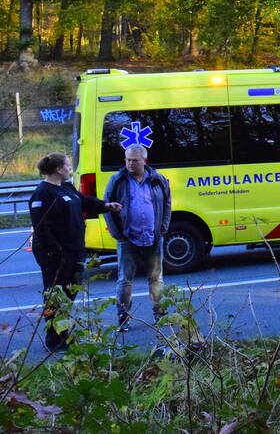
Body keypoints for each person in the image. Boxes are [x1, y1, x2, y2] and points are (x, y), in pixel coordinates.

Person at [28, 152, 122, 352]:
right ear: (59, 169)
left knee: (69, 294)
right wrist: (56, 252)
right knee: (55, 295)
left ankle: (64, 332)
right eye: (68, 166)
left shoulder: (67, 187)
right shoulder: (43, 193)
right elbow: (41, 227)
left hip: (74, 251)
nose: (70, 169)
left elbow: (84, 201)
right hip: (57, 255)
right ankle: (54, 339)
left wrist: (105, 206)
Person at [103, 144, 172, 329]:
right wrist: (118, 234)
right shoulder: (117, 180)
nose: (130, 164)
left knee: (156, 279)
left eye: (135, 160)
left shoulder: (158, 179)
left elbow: (167, 203)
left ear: (144, 161)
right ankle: (123, 316)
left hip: (153, 237)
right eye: (127, 160)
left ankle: (160, 314)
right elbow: (107, 207)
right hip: (128, 238)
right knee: (125, 280)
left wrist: (163, 228)